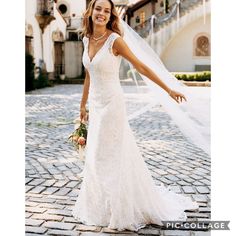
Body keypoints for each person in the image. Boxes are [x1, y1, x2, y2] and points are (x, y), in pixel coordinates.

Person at [72, 0, 198, 232]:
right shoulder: (86, 39)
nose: (101, 13)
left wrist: (168, 88)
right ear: (90, 12)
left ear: (110, 16)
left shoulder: (115, 41)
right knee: (97, 156)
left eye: (106, 11)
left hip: (113, 105)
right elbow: (89, 74)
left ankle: (120, 213)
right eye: (98, 9)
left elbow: (142, 67)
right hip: (96, 105)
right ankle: (103, 206)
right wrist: (83, 105)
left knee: (111, 156)